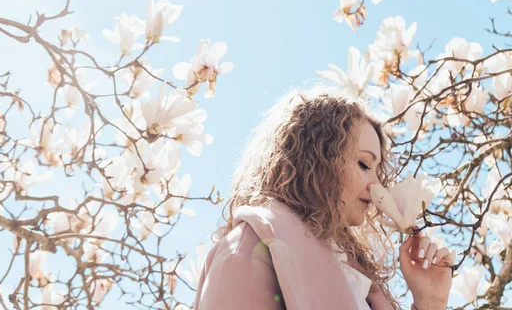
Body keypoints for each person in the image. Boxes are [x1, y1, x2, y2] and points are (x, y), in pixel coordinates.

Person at [194, 85, 453, 310]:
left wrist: (430, 303)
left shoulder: (354, 273)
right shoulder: (246, 255)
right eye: (364, 164)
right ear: (317, 161)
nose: (377, 186)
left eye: (378, 171)